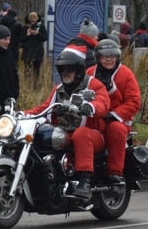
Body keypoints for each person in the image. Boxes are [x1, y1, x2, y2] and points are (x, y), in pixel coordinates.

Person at [22, 46, 110, 200]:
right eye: (62, 69)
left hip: (93, 133)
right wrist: (22, 114)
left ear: (79, 70)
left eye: (69, 69)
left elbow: (103, 102)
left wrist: (90, 107)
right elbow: (45, 108)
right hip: (64, 133)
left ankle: (85, 182)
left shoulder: (92, 85)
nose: (65, 73)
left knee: (80, 134)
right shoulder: (59, 89)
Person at [86, 39, 141, 186]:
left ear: (117, 56)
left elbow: (134, 101)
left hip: (118, 119)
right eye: (104, 56)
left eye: (112, 55)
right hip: (94, 116)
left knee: (115, 129)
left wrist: (115, 114)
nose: (109, 59)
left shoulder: (126, 74)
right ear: (98, 57)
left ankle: (115, 173)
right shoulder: (90, 73)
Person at [19, 12, 47, 76]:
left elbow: (45, 38)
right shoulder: (25, 27)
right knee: (27, 71)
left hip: (38, 52)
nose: (33, 20)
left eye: (34, 18)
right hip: (28, 52)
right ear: (29, 19)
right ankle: (27, 85)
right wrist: (27, 35)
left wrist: (37, 34)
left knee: (37, 72)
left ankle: (36, 85)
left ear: (37, 19)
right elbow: (20, 39)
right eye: (31, 18)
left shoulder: (41, 26)